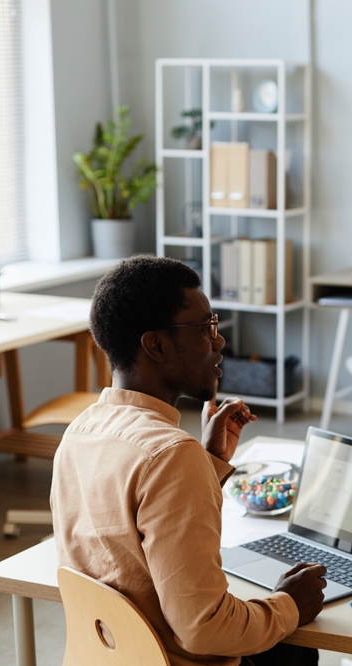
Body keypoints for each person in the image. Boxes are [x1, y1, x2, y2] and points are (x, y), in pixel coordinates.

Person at [51, 256, 326, 666]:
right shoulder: (171, 454)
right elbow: (205, 629)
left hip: (115, 657)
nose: (219, 342)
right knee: (299, 647)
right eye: (204, 329)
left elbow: (132, 548)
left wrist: (209, 460)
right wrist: (290, 605)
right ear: (156, 344)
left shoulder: (81, 431)